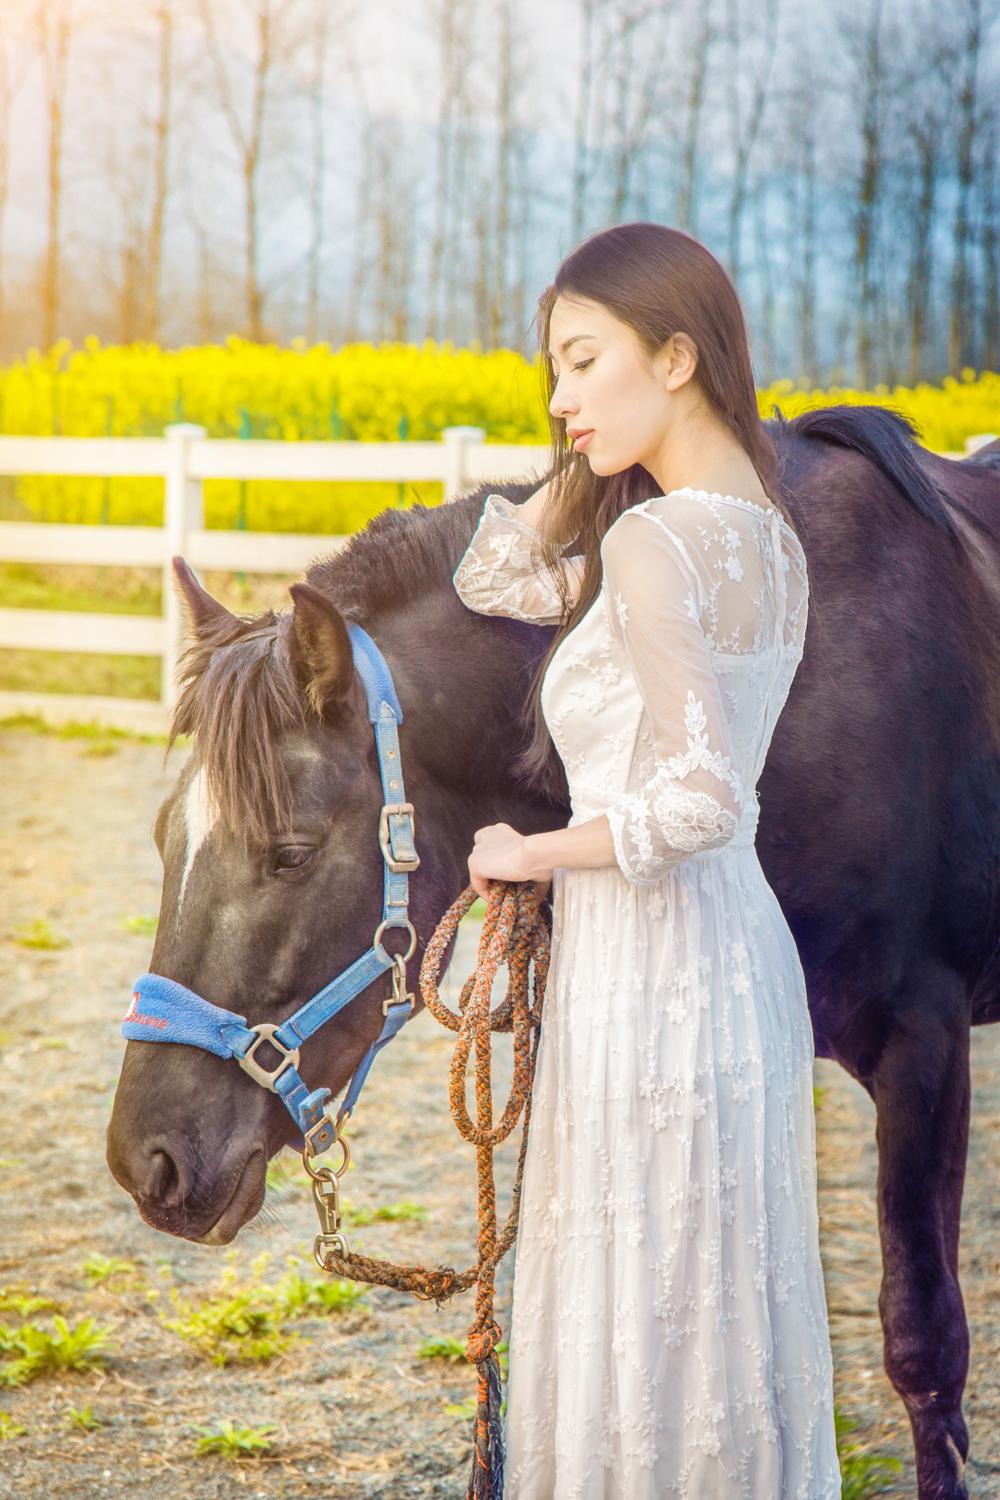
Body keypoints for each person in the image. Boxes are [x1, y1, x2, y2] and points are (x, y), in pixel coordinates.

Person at [450, 222, 841, 1498]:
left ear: (675, 357)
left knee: (638, 1311)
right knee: (714, 1317)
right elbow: (498, 575)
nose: (558, 399)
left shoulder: (651, 545)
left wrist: (529, 850)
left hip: (652, 963)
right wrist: (589, 462)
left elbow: (703, 798)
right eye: (552, 372)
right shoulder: (768, 543)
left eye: (582, 362)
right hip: (734, 962)